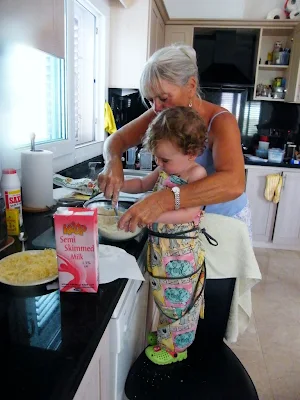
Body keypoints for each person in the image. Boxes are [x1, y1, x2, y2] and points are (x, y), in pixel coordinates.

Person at [98, 43, 251, 237]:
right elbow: (116, 140)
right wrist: (113, 163)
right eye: (151, 100)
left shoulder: (221, 121)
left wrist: (162, 201)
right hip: (179, 228)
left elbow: (234, 183)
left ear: (191, 86)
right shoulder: (164, 115)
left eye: (163, 97)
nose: (156, 108)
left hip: (222, 222)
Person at [121, 106, 207, 365]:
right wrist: (117, 180)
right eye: (158, 158)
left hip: (182, 255)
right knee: (164, 299)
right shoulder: (165, 171)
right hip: (161, 253)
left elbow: (190, 213)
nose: (160, 164)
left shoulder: (196, 175)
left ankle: (175, 349)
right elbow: (141, 185)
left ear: (191, 153)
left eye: (165, 159)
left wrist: (153, 213)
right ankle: (165, 337)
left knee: (179, 305)